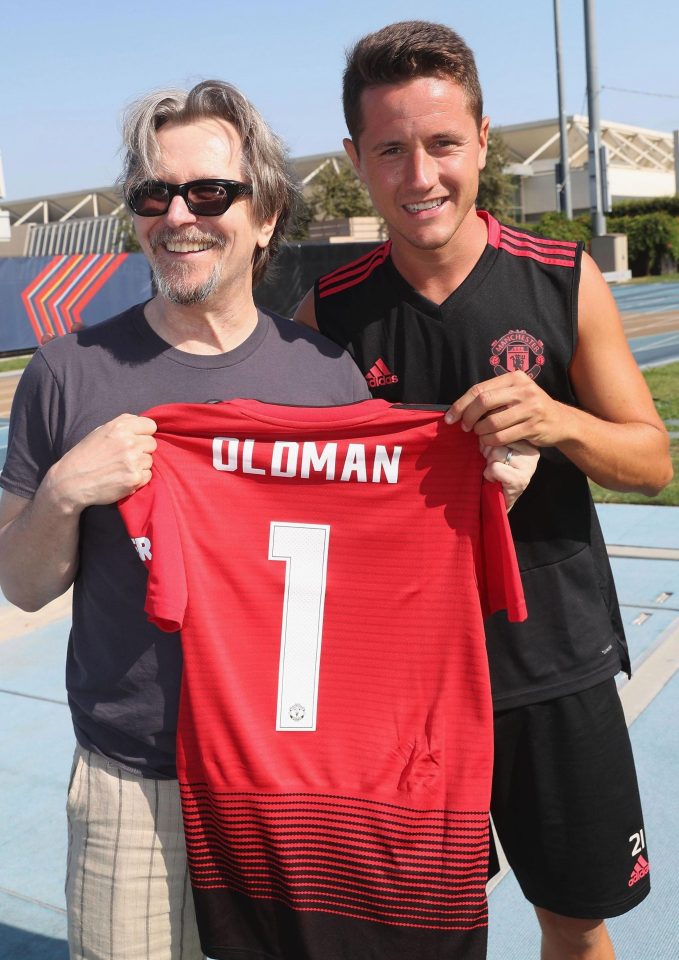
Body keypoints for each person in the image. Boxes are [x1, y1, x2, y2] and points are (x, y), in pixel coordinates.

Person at [294, 21, 672, 960]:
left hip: (552, 660)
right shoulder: (328, 313)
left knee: (573, 924)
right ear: (355, 160)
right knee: (416, 929)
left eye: (441, 143)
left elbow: (650, 459)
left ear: (481, 141)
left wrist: (559, 421)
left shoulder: (558, 280)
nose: (419, 174)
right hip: (398, 682)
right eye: (390, 149)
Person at [0, 79, 374, 960]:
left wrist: (484, 490)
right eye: (153, 195)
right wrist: (63, 492)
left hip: (285, 774)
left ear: (267, 213)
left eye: (209, 192)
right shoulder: (68, 372)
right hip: (132, 775)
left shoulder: (326, 380)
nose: (179, 215)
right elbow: (19, 585)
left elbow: (369, 584)